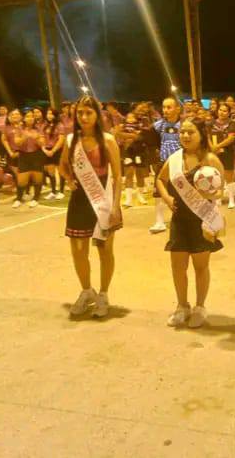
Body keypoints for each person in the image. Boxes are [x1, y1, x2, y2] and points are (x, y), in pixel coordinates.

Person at [156, 119, 225, 329]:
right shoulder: (175, 158)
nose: (185, 136)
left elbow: (221, 190)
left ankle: (200, 307)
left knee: (200, 266)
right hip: (179, 219)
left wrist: (210, 194)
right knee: (178, 266)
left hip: (202, 219)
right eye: (182, 132)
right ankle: (182, 306)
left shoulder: (210, 159)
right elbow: (160, 180)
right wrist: (167, 198)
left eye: (190, 132)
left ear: (201, 134)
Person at [59, 96, 122, 318]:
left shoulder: (108, 140)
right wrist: (69, 179)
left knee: (105, 250)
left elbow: (118, 176)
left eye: (89, 112)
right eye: (80, 113)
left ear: (98, 115)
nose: (84, 117)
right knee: (78, 251)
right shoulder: (71, 141)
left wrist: (115, 207)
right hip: (79, 201)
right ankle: (87, 291)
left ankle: (103, 294)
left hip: (103, 200)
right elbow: (62, 166)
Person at [150, 98, 182, 233]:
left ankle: (181, 218)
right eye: (164, 107)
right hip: (163, 162)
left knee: (181, 191)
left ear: (178, 109)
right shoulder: (158, 125)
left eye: (169, 107)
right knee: (158, 192)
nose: (165, 110)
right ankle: (159, 222)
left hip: (180, 163)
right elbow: (154, 142)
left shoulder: (184, 125)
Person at [117, 108, 152, 207]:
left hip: (139, 152)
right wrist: (132, 135)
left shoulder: (141, 125)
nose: (130, 119)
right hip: (128, 152)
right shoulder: (122, 126)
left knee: (140, 174)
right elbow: (119, 135)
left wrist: (130, 136)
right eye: (128, 117)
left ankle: (140, 196)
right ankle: (128, 199)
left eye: (132, 117)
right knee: (129, 173)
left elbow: (141, 137)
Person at [14, 110, 46, 208]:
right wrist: (24, 137)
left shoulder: (39, 128)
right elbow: (17, 142)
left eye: (32, 116)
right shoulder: (19, 129)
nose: (30, 118)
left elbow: (43, 143)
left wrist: (36, 138)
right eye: (28, 116)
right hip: (23, 155)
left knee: (37, 179)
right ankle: (18, 199)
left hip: (36, 155)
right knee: (21, 181)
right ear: (24, 118)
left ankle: (36, 198)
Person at [209, 103, 235, 208]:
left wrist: (217, 146)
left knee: (229, 176)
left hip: (228, 152)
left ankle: (231, 199)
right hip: (214, 153)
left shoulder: (232, 123)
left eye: (225, 111)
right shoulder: (211, 123)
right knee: (216, 175)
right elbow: (207, 136)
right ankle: (218, 198)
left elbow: (231, 138)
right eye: (220, 110)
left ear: (229, 113)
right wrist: (212, 147)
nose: (222, 112)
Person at [42, 108, 66, 200]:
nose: (49, 115)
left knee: (60, 171)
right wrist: (44, 149)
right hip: (47, 150)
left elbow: (61, 139)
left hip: (57, 150)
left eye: (51, 114)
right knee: (50, 172)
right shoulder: (46, 125)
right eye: (48, 113)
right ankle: (53, 191)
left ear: (55, 115)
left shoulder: (60, 125)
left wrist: (53, 151)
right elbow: (43, 138)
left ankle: (61, 191)